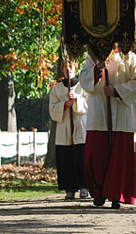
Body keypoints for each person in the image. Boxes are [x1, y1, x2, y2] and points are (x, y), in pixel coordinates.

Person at [79, 49, 136, 209]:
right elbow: (84, 80)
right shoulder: (93, 56)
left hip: (121, 113)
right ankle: (99, 192)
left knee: (119, 158)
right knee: (96, 155)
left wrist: (117, 91)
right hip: (99, 112)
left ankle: (118, 194)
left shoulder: (131, 58)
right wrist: (97, 70)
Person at [49, 60, 89, 200]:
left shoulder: (83, 87)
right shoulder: (57, 89)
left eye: (71, 67)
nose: (68, 69)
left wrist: (77, 99)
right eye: (66, 67)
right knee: (66, 159)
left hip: (80, 126)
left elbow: (88, 104)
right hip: (64, 127)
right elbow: (52, 109)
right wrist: (65, 104)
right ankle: (69, 188)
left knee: (81, 157)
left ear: (75, 69)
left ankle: (84, 186)